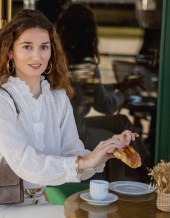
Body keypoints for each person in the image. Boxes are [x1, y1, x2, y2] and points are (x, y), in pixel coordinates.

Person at [0, 9, 138, 218]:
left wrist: (103, 152)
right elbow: (25, 163)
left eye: (44, 47)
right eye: (27, 46)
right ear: (10, 51)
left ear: (52, 51)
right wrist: (83, 163)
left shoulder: (57, 98)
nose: (37, 55)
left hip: (38, 206)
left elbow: (72, 153)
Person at [56, 4, 151, 181]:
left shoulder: (61, 60)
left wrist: (118, 86)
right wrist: (126, 92)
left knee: (121, 121)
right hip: (76, 134)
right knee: (117, 142)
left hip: (71, 127)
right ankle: (133, 179)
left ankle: (145, 167)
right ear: (89, 34)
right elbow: (105, 105)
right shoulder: (86, 64)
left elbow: (88, 90)